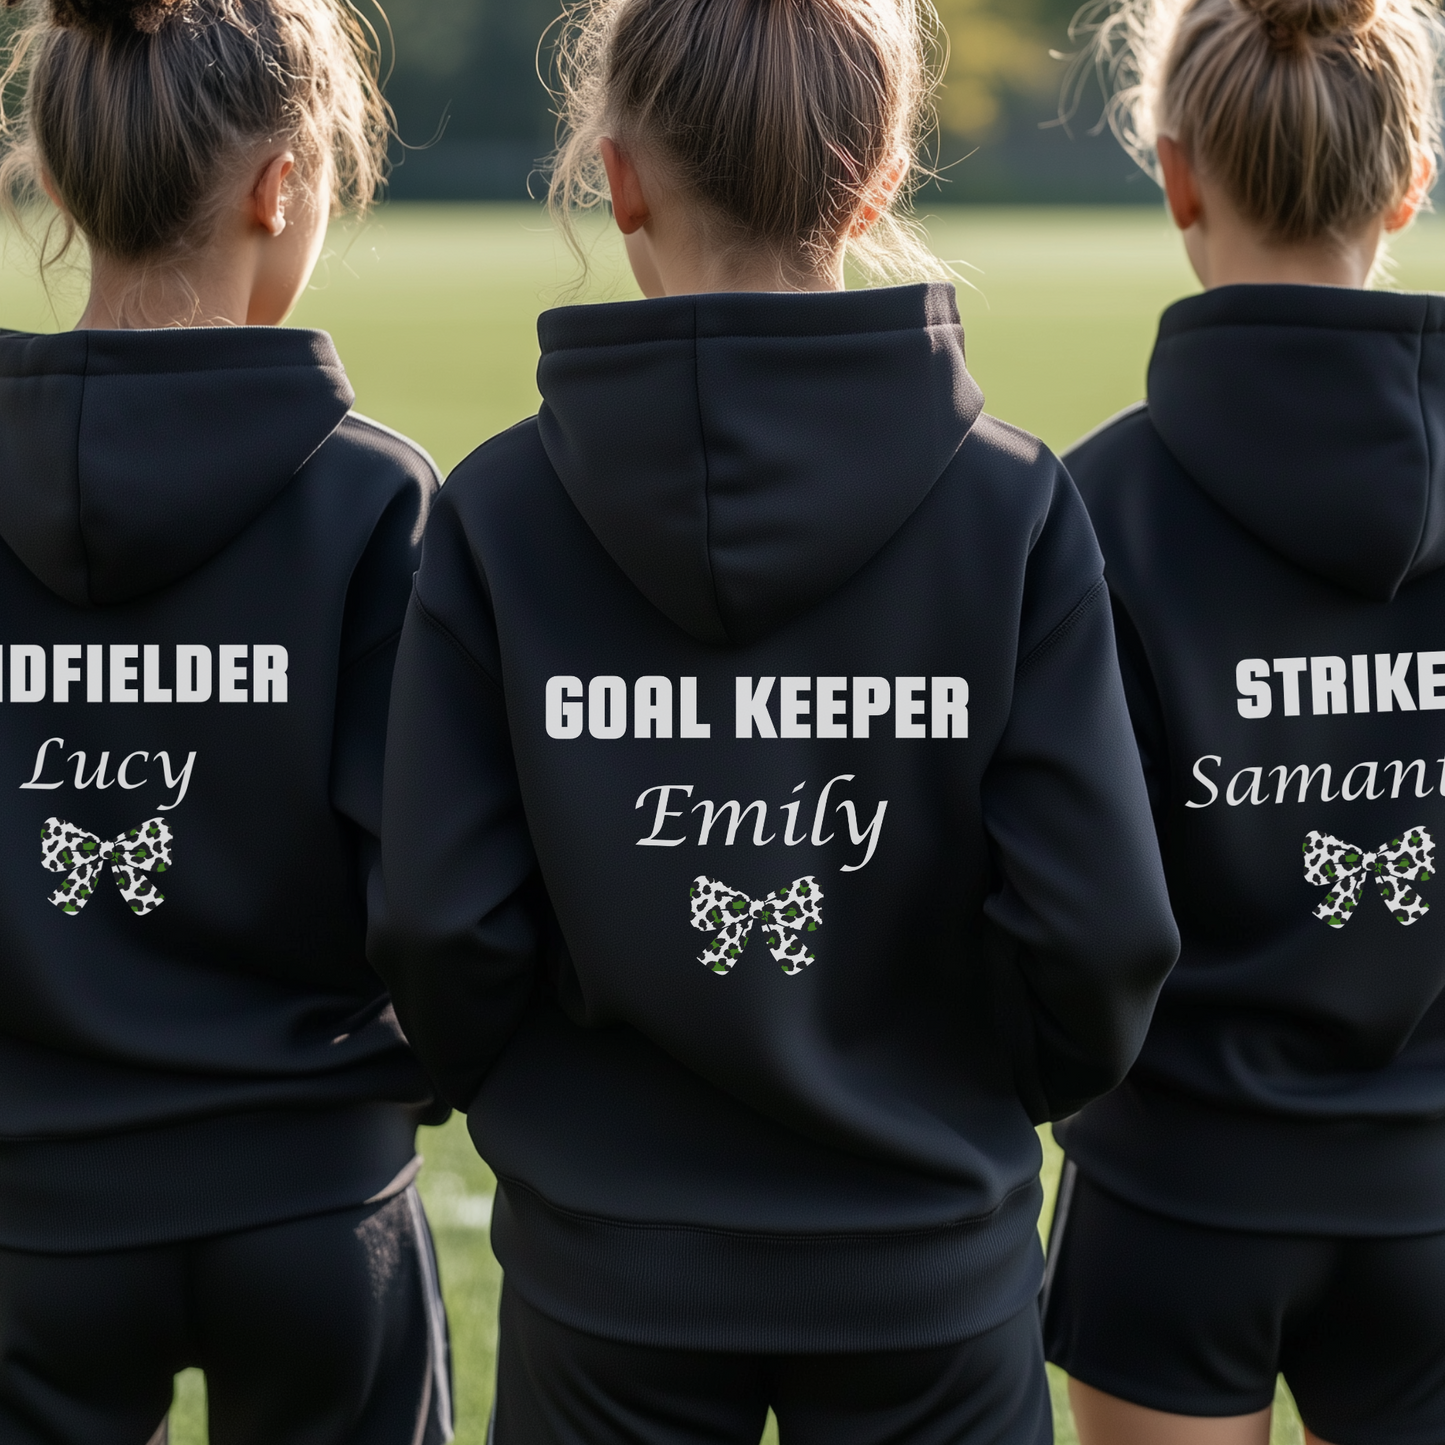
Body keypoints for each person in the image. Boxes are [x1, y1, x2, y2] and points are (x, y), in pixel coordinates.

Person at [372, 1, 1179, 1441]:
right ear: (877, 177)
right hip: (931, 1277)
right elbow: (1101, 929)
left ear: (615, 178)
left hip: (607, 1288)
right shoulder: (1013, 507)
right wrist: (966, 1107)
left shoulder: (496, 514)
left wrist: (566, 1116)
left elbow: (444, 926)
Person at [0, 1, 453, 1441]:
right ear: (282, 184)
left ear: (59, 180)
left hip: (27, 1214)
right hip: (316, 1208)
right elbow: (436, 903)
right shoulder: (377, 500)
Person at [1041, 2, 1445, 1442]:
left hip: (1177, 1196)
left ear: (1176, 174)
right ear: (1410, 182)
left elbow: (1075, 908)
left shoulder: (1086, 509)